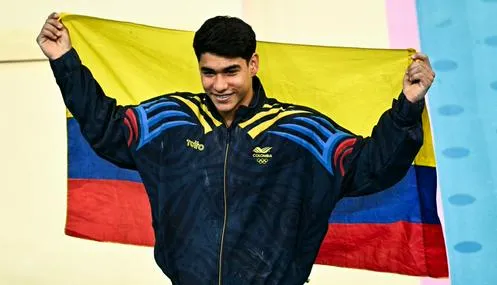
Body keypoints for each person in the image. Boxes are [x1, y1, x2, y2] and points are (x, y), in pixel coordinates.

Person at [37, 12, 435, 285]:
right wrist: (64, 60)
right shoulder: (170, 120)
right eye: (208, 72)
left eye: (231, 71)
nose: (219, 85)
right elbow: (107, 129)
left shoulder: (299, 131)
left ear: (254, 64)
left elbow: (371, 167)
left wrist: (407, 106)